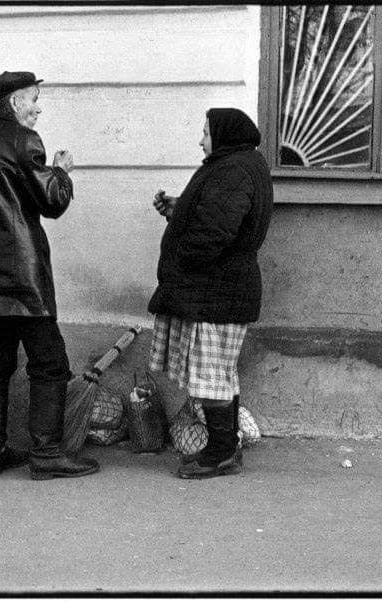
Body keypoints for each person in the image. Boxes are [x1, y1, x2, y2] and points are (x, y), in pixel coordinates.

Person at [0, 71, 100, 480]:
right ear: (14, 103)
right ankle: (46, 455)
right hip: (22, 283)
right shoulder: (23, 141)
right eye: (34, 98)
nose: (38, 107)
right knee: (50, 362)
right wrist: (61, 171)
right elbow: (52, 201)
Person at [147, 108, 273, 480]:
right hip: (223, 290)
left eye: (205, 132)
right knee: (220, 374)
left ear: (223, 134)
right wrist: (180, 210)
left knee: (211, 375)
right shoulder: (238, 165)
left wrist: (181, 259)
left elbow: (214, 233)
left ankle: (220, 454)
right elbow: (215, 217)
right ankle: (224, 449)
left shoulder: (233, 170)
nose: (200, 140)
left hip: (216, 292)